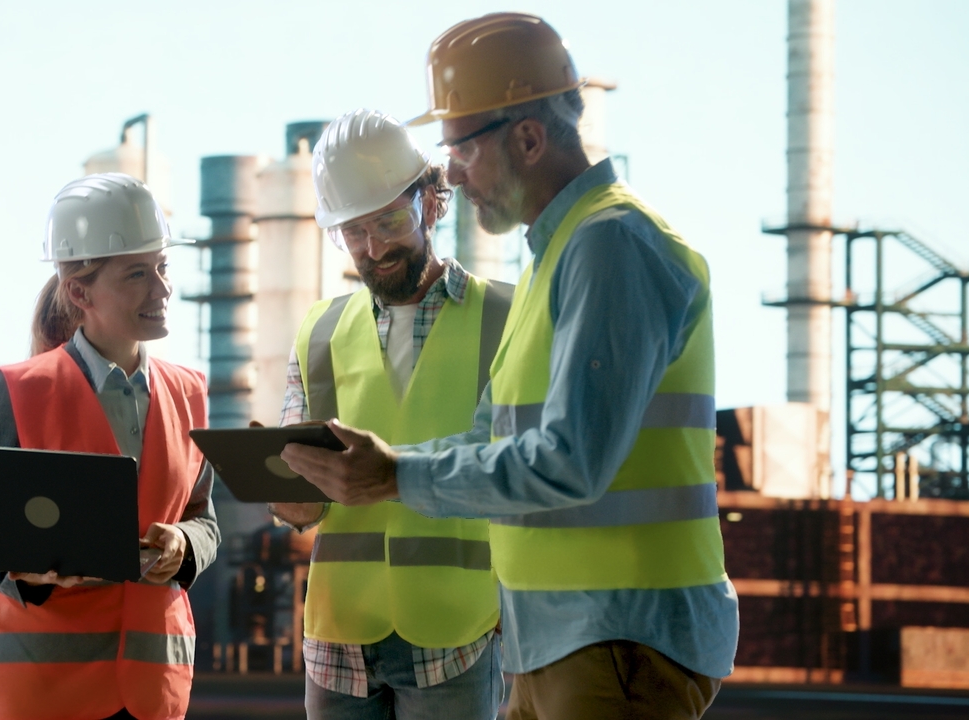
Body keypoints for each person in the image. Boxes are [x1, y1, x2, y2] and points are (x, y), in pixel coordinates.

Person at [281, 14, 738, 720]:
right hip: (557, 641)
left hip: (619, 636)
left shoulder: (609, 245)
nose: (454, 177)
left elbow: (572, 462)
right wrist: (381, 466)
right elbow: (495, 437)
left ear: (528, 136)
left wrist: (398, 473)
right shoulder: (555, 261)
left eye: (460, 150)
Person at [269, 109, 512, 720]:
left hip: (459, 632)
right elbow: (303, 501)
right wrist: (286, 497)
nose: (373, 248)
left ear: (431, 202)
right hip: (338, 637)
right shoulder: (319, 332)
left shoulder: (505, 318)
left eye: (388, 220)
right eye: (353, 232)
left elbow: (526, 473)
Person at [0, 173, 220, 720]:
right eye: (137, 274)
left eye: (163, 268)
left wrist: (183, 543)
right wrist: (30, 572)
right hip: (42, 690)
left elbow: (206, 521)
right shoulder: (17, 392)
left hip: (154, 689)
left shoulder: (189, 392)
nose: (162, 289)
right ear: (80, 292)